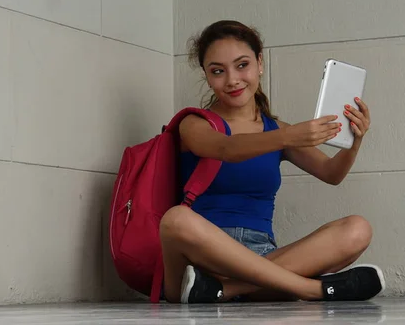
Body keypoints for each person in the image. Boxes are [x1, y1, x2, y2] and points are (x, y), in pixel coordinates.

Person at [159, 20, 385, 304]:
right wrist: (288, 136)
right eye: (218, 71)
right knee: (175, 220)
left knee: (358, 228)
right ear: (207, 75)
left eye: (242, 65)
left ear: (260, 63)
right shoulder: (194, 124)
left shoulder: (277, 130)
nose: (232, 80)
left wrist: (355, 140)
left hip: (265, 258)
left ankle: (224, 290)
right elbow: (226, 148)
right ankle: (309, 290)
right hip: (201, 260)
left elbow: (332, 173)